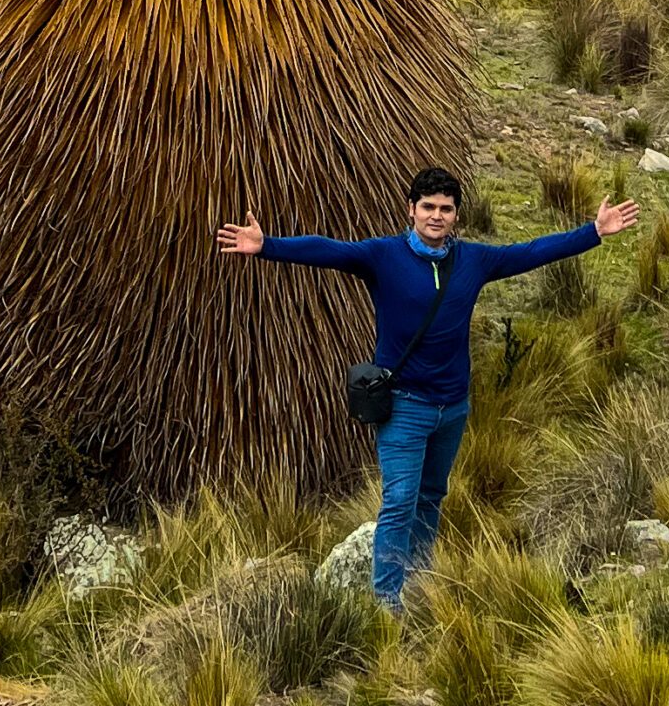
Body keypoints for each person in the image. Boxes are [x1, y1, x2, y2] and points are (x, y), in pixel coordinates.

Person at [218, 168, 638, 609]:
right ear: (411, 210)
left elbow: (530, 252)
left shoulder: (474, 261)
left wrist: (593, 232)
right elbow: (329, 251)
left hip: (453, 407)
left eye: (446, 209)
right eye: (428, 207)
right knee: (400, 501)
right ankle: (387, 602)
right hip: (404, 406)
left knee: (432, 497)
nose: (436, 216)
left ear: (456, 215)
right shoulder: (383, 256)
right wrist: (267, 246)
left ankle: (419, 584)